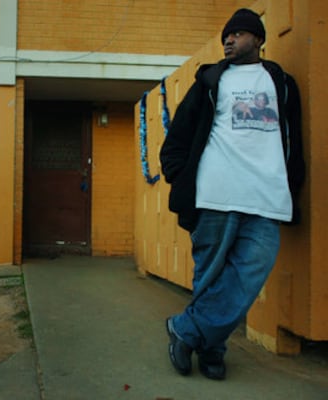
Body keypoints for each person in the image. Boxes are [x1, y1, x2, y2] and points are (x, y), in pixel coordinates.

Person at [159, 8, 305, 380]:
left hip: (268, 196)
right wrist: (180, 176)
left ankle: (186, 330)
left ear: (258, 39)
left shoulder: (282, 83)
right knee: (210, 278)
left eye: (238, 33)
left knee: (250, 275)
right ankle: (212, 352)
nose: (229, 40)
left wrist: (294, 185)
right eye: (227, 35)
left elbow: (294, 141)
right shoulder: (210, 80)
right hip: (216, 194)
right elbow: (178, 134)